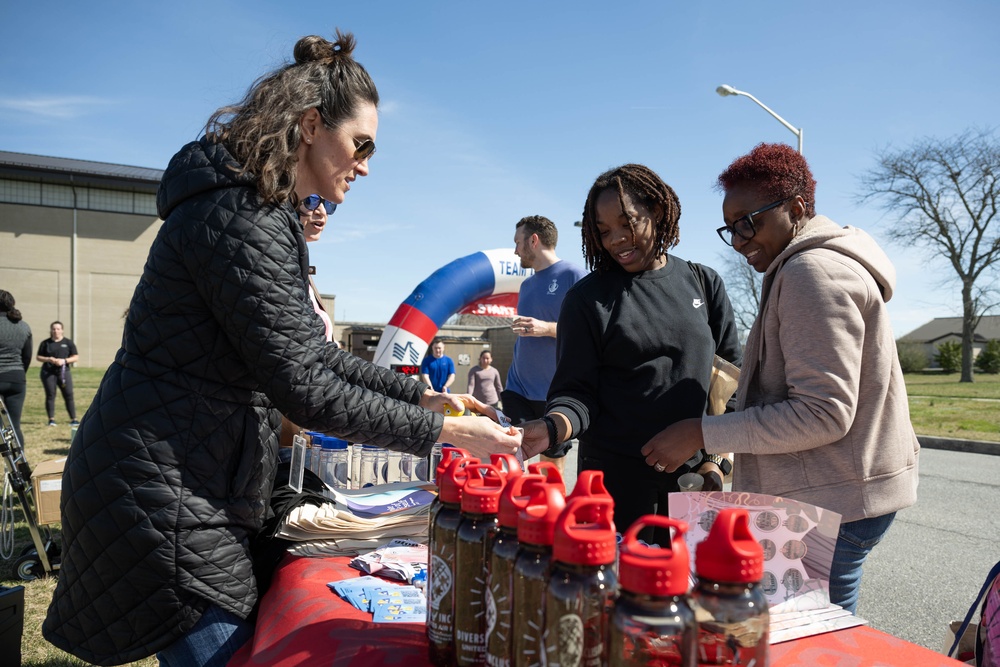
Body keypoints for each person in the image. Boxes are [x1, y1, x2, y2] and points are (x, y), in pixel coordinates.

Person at [42, 31, 521, 667]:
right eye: (361, 144)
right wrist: (445, 436)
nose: (367, 164)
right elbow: (308, 387)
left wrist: (428, 397)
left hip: (186, 483)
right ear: (310, 126)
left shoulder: (250, 209)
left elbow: (314, 358)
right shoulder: (242, 215)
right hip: (164, 493)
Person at [641, 143, 919, 614]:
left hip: (832, 503)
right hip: (839, 492)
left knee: (809, 639)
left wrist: (700, 433)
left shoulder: (814, 273)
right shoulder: (811, 265)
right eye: (730, 228)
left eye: (751, 221)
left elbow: (823, 413)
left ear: (797, 209)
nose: (741, 239)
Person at [520, 165, 742, 542]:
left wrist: (716, 464)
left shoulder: (704, 283)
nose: (617, 240)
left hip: (696, 485)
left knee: (692, 597)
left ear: (656, 211)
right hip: (613, 493)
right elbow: (576, 393)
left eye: (628, 223)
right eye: (604, 231)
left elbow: (734, 382)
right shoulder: (587, 300)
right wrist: (550, 427)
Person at [500, 215, 586, 473]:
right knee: (511, 453)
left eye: (518, 242)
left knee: (550, 467)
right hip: (517, 388)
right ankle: (513, 509)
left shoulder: (574, 275)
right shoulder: (526, 285)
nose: (515, 250)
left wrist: (546, 328)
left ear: (533, 240)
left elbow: (590, 331)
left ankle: (550, 511)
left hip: (554, 392)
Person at [0, 290, 32, 446]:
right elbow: (27, 356)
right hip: (17, 378)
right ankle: (21, 466)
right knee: (14, 425)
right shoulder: (23, 326)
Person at [36, 321, 80, 427]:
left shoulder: (68, 343)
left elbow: (76, 357)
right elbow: (38, 357)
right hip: (48, 373)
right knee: (50, 394)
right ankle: (51, 419)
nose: (56, 331)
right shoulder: (45, 343)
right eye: (54, 329)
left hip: (64, 372)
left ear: (62, 330)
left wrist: (64, 361)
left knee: (68, 394)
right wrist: (48, 359)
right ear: (51, 330)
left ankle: (74, 419)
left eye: (58, 329)